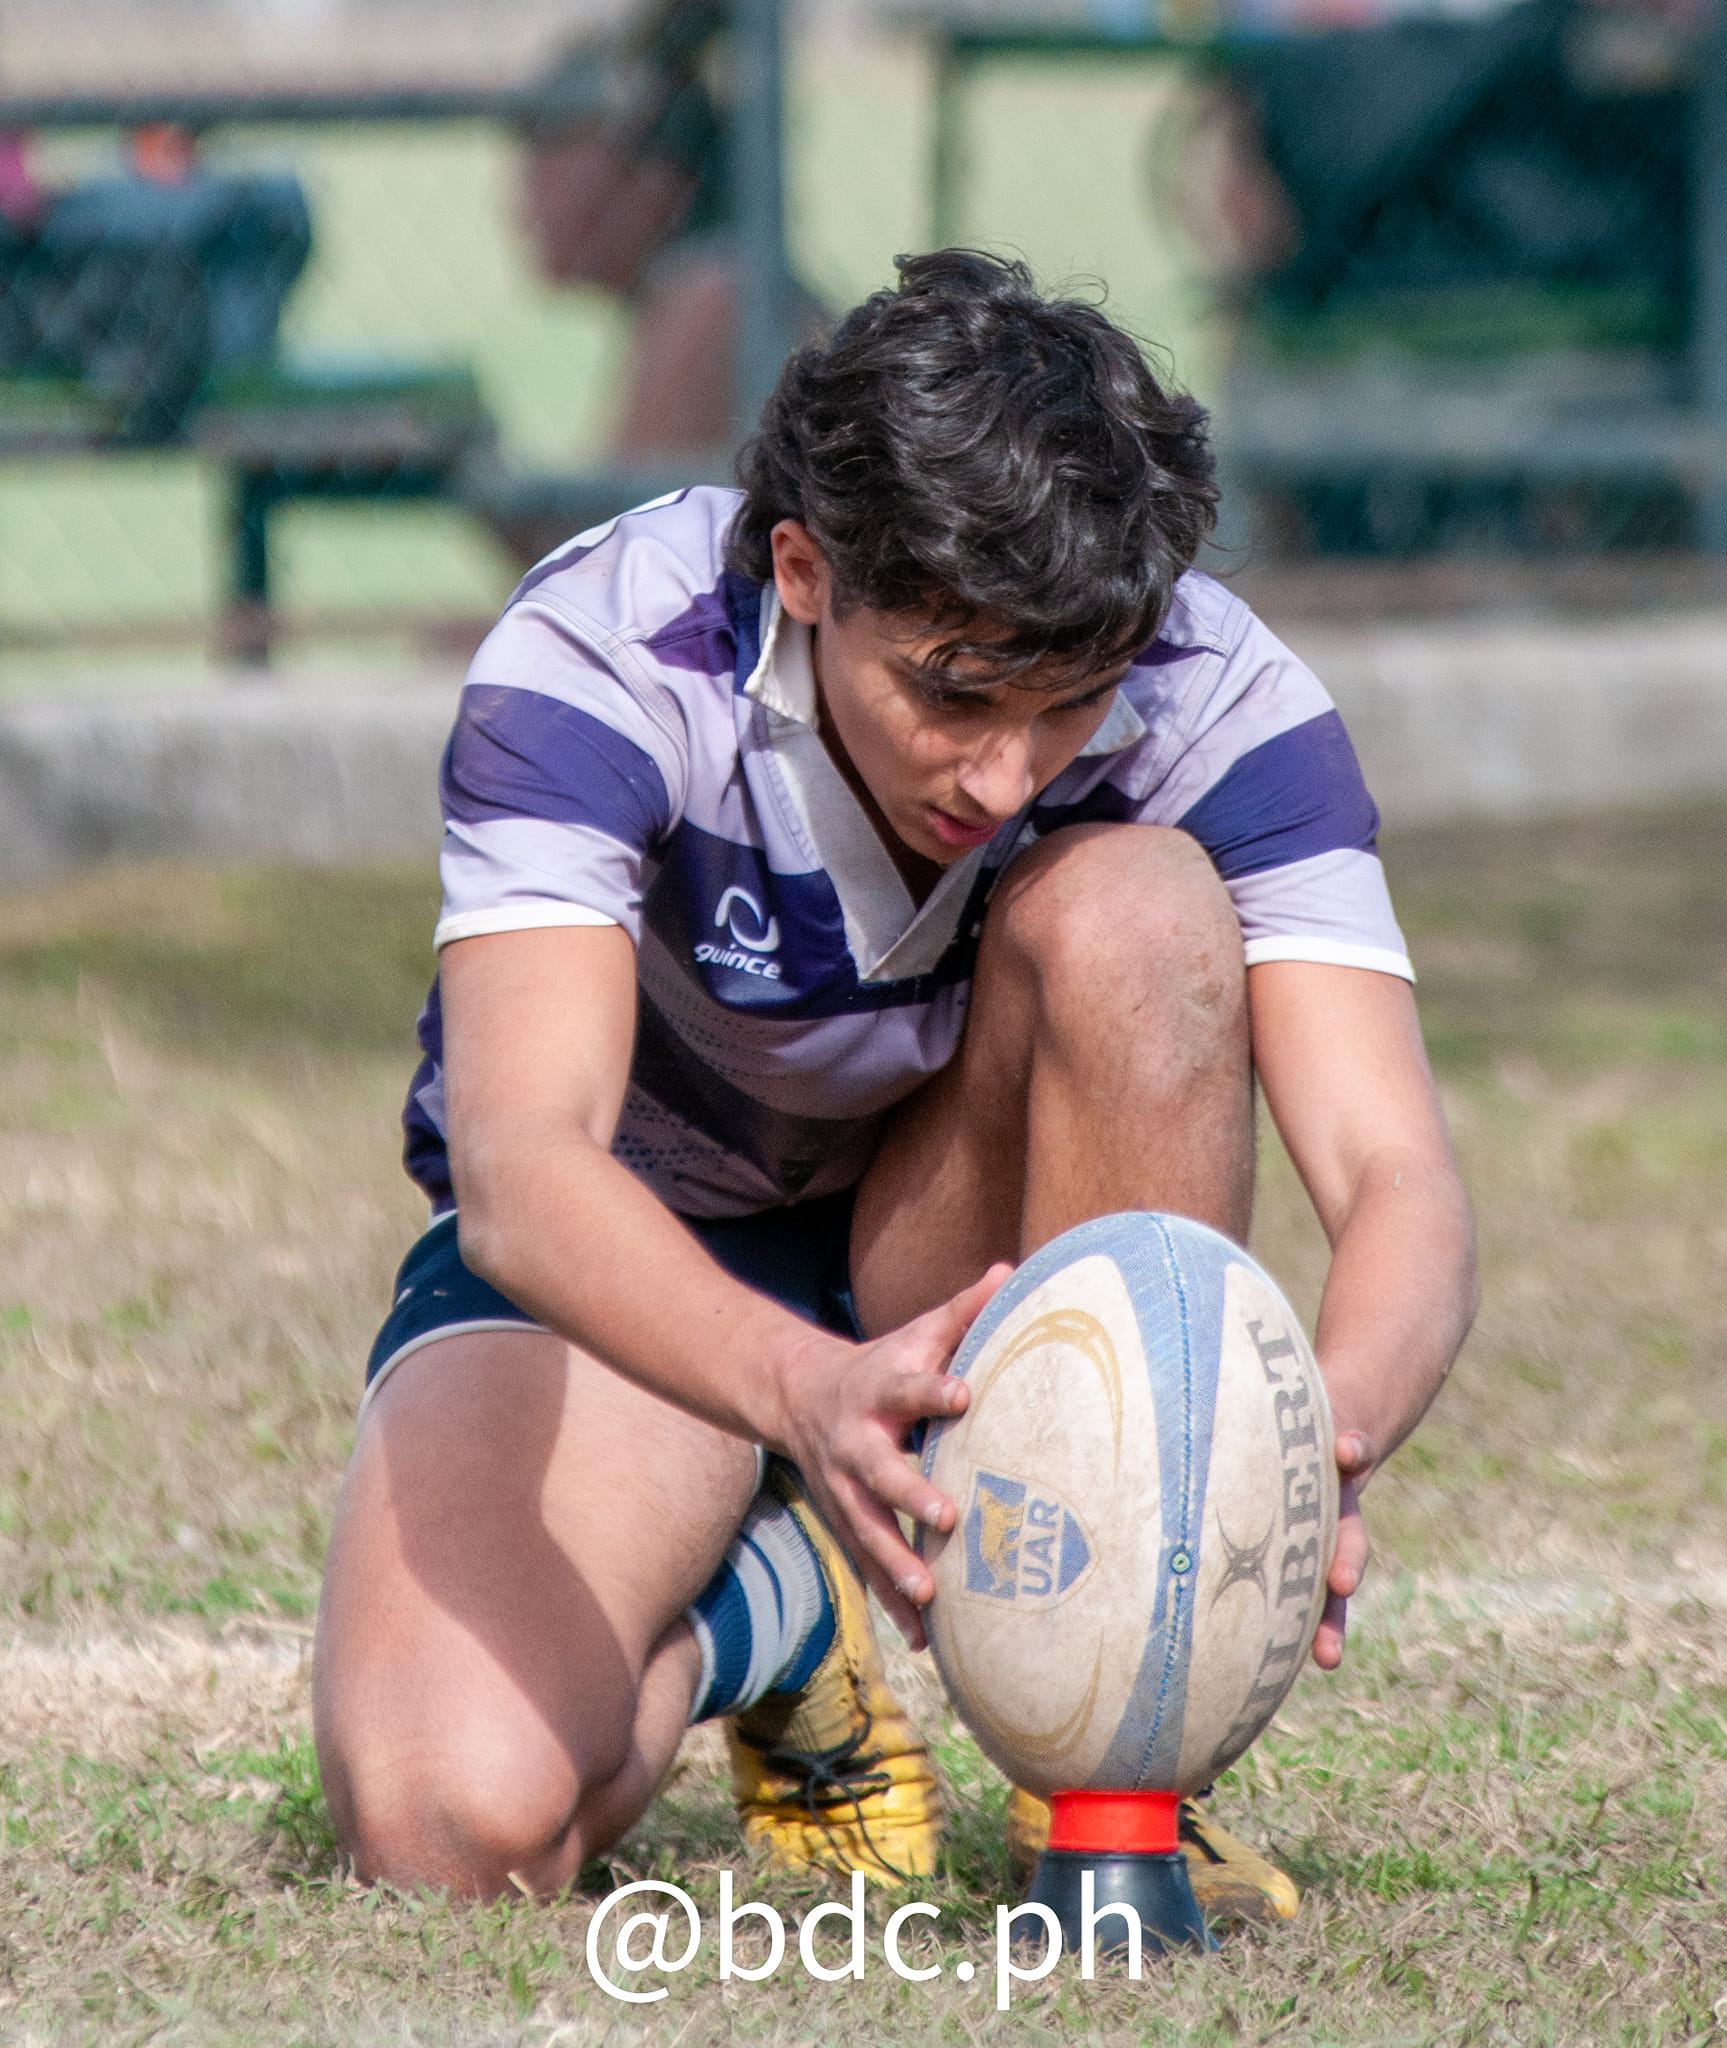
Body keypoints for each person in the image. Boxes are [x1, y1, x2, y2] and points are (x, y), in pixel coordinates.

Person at [312, 250, 1477, 1923]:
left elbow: (1399, 1181)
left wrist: (1309, 1444)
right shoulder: (607, 648)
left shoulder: (1216, 689)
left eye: (1069, 706)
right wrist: (803, 1392)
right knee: (448, 1824)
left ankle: (1111, 1790)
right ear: (803, 569)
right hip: (647, 1254)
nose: (1004, 774)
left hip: (956, 1247)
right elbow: (520, 1164)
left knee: (1143, 913)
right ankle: (778, 1605)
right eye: (952, 691)